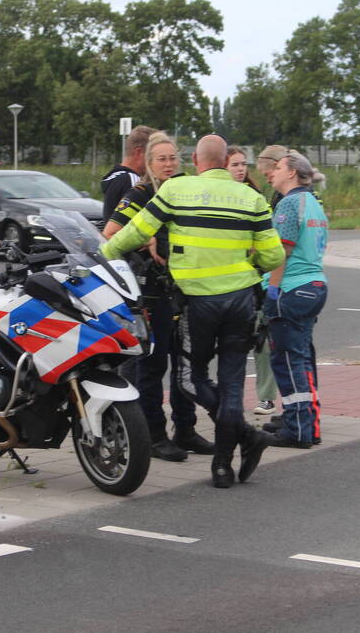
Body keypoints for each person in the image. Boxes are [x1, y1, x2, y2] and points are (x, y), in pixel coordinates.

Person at [100, 135, 285, 489]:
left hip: (195, 303)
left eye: (176, 158)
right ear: (225, 161)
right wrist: (249, 264)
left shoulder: (176, 192)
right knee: (231, 383)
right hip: (241, 301)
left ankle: (243, 438)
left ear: (196, 162)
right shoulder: (252, 197)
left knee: (189, 378)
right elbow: (274, 257)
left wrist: (105, 256)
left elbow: (128, 234)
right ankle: (222, 465)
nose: (171, 164)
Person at [104, 132, 213, 462]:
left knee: (187, 363)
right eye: (161, 159)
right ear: (148, 163)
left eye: (172, 158)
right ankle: (153, 436)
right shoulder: (139, 193)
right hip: (151, 292)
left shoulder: (186, 189)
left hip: (185, 289)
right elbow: (109, 235)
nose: (168, 164)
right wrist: (147, 239)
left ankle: (187, 430)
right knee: (152, 367)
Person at [262, 152, 329, 448]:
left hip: (291, 288)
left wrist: (272, 292)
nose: (272, 173)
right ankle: (308, 426)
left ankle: (296, 430)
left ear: (291, 173)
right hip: (314, 286)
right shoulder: (313, 203)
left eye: (277, 168)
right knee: (301, 359)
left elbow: (281, 253)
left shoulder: (289, 204)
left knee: (287, 361)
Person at [227, 145, 280, 416]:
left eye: (242, 164)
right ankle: (228, 399)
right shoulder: (214, 196)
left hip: (253, 278)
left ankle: (266, 396)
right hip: (222, 281)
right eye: (234, 164)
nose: (240, 169)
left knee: (261, 339)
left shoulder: (255, 197)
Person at [100, 125, 158, 221]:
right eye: (151, 155)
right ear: (139, 152)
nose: (153, 161)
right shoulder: (132, 180)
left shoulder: (116, 176)